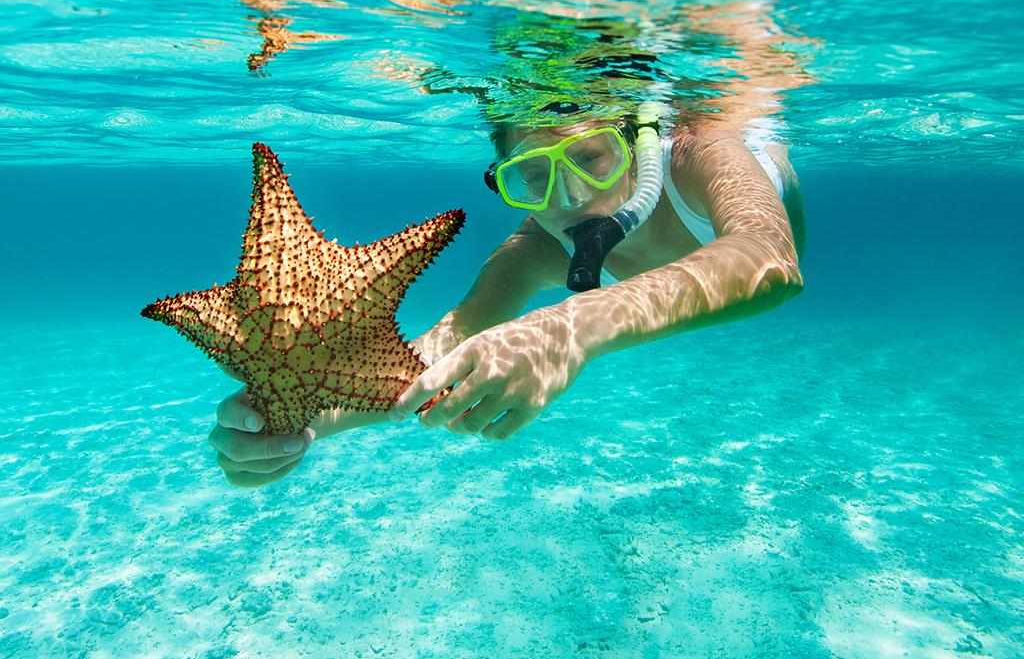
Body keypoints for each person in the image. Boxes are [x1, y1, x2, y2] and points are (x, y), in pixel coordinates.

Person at [209, 110, 805, 487]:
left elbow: (769, 256)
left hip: (762, 189)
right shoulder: (539, 245)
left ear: (636, 144)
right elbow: (445, 341)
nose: (568, 197)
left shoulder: (698, 153)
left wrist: (564, 330)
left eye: (591, 157)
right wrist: (296, 422)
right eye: (532, 175)